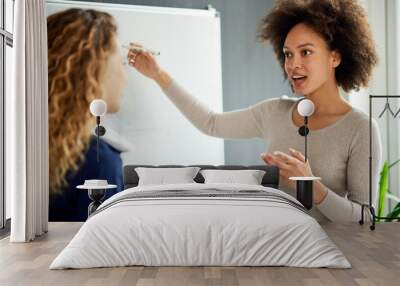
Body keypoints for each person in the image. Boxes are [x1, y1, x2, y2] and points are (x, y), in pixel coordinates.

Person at [127, 0, 382, 222]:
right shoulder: (274, 112)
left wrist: (313, 187)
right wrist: (157, 75)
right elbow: (211, 123)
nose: (293, 64)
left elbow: (364, 218)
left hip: (326, 260)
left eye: (306, 52)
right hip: (269, 248)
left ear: (335, 57)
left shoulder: (360, 128)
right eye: (288, 54)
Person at [48, 8, 128, 221]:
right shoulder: (99, 160)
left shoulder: (32, 149)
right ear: (93, 71)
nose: (125, 77)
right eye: (121, 63)